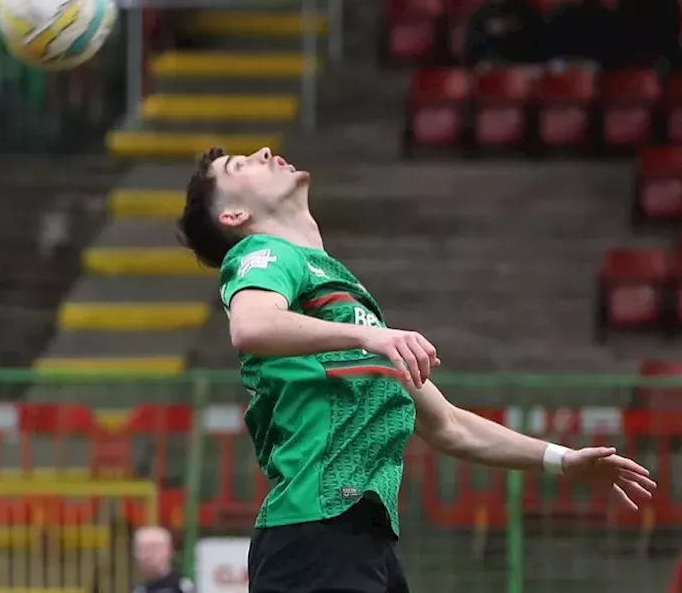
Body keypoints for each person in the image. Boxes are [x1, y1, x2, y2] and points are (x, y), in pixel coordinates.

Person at [175, 147, 656, 593]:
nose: (262, 152)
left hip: (366, 539)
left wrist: (560, 459)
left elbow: (446, 424)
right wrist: (370, 336)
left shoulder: (342, 295)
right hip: (314, 534)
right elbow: (252, 325)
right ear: (234, 216)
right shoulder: (264, 254)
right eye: (239, 167)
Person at [462, 0, 547, 67]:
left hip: (520, 62)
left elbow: (535, 35)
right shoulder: (481, 12)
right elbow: (473, 43)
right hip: (488, 62)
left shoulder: (522, 6)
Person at [132, 526, 194, 593]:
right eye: (143, 550)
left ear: (170, 551)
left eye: (155, 549)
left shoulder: (183, 586)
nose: (148, 556)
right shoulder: (140, 589)